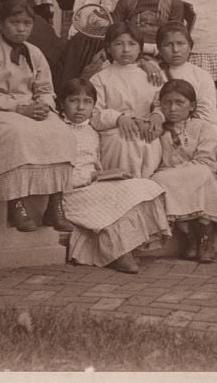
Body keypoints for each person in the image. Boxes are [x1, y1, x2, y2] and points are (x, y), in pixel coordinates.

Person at [0, 0, 77, 233]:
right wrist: (19, 108)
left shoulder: (34, 53)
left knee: (61, 131)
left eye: (26, 23)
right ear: (1, 24)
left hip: (29, 109)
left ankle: (55, 204)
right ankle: (16, 203)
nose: (21, 28)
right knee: (15, 133)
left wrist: (43, 106)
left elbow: (46, 89)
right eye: (14, 22)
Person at [58, 79, 170, 274]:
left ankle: (126, 246)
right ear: (62, 104)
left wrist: (105, 175)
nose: (80, 107)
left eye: (87, 102)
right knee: (110, 206)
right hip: (69, 191)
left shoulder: (93, 125)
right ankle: (118, 253)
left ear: (93, 105)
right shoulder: (56, 129)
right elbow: (57, 171)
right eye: (73, 101)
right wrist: (90, 177)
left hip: (93, 184)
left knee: (144, 186)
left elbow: (108, 116)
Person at [155, 22, 217, 210]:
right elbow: (152, 105)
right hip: (162, 124)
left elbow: (207, 116)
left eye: (181, 44)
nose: (175, 50)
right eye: (168, 45)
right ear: (159, 48)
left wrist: (184, 123)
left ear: (190, 46)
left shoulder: (201, 75)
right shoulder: (153, 72)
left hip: (195, 126)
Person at [151, 79, 217, 263]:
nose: (172, 108)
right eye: (167, 102)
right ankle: (189, 236)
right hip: (169, 177)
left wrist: (178, 172)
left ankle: (206, 237)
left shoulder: (203, 128)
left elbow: (205, 161)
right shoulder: (158, 130)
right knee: (160, 180)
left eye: (179, 103)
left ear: (192, 106)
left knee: (201, 174)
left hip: (199, 174)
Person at [89, 23, 164, 178]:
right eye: (118, 44)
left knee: (148, 141)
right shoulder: (100, 78)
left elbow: (162, 102)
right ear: (109, 48)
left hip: (146, 130)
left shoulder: (151, 75)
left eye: (132, 44)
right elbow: (93, 114)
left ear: (140, 48)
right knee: (123, 141)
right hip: (115, 134)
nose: (126, 50)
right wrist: (118, 118)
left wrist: (157, 116)